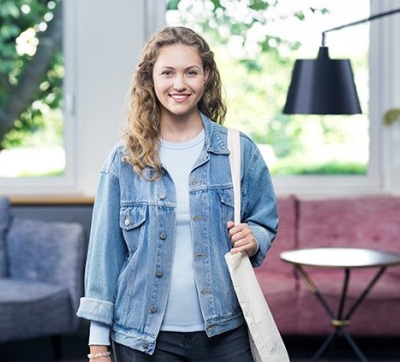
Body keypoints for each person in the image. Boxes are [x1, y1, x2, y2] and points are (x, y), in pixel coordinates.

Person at [76, 26, 278, 362]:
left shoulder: (238, 151)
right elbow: (104, 257)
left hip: (225, 334)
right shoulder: (124, 160)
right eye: (167, 72)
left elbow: (265, 220)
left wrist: (253, 237)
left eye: (191, 72)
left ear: (206, 76)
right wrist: (98, 346)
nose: (179, 84)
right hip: (141, 338)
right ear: (150, 78)